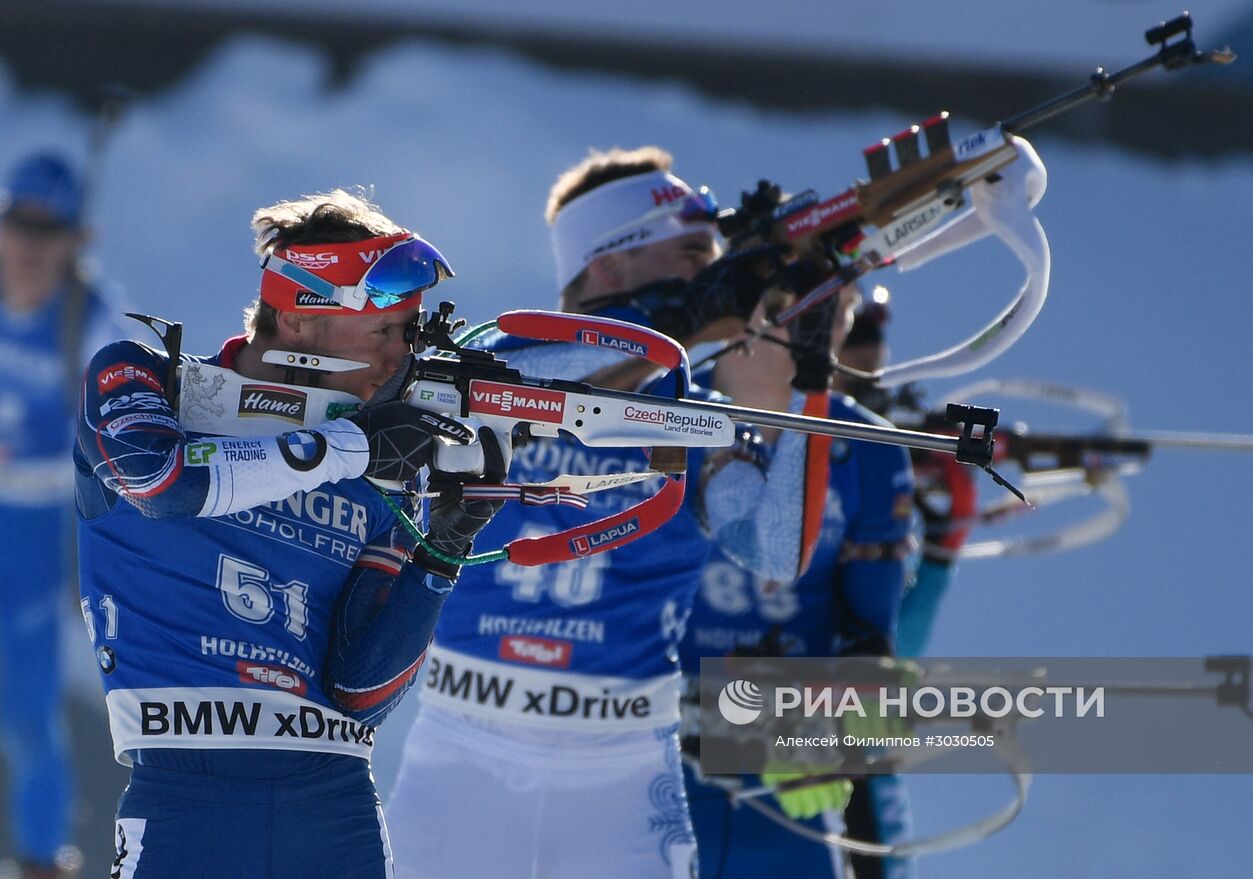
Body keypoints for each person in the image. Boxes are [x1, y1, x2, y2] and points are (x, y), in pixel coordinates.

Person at [386, 147, 834, 879]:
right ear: (607, 267)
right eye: (693, 254)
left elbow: (774, 549)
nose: (711, 279)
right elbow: (541, 391)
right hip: (466, 746)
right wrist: (674, 333)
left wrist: (806, 380)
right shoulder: (496, 365)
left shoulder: (696, 410)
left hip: (621, 762)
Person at [74, 189, 506, 878]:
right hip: (185, 795)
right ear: (303, 318)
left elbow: (362, 692)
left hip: (332, 802)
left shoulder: (386, 459)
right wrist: (346, 449)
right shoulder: (144, 378)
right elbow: (163, 482)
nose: (404, 356)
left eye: (411, 333)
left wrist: (442, 549)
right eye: (387, 330)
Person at [679, 290, 918, 879]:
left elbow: (870, 646)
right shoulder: (666, 413)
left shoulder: (870, 447)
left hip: (789, 785)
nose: (820, 332)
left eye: (837, 314)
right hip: (654, 766)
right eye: (802, 308)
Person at [0, 150, 126, 879]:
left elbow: (114, 426)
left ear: (77, 238)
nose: (29, 247)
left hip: (36, 528)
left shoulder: (88, 316)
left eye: (49, 232)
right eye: (19, 225)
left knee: (27, 705)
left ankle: (43, 859)